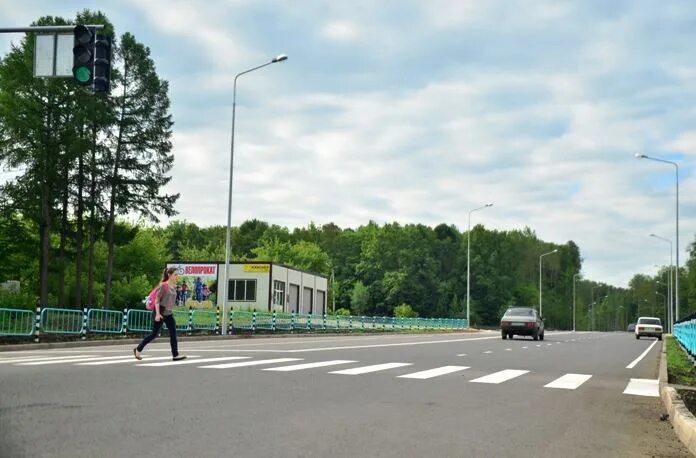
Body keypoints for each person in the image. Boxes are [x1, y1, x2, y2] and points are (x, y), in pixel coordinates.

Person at [134, 267, 187, 361]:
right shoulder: (164, 286)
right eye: (175, 274)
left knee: (173, 333)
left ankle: (175, 355)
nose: (176, 277)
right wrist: (157, 314)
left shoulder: (174, 287)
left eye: (177, 275)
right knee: (154, 334)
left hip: (169, 313)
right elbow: (157, 300)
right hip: (160, 312)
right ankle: (138, 349)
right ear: (169, 275)